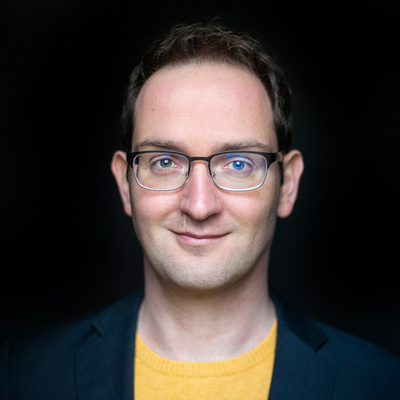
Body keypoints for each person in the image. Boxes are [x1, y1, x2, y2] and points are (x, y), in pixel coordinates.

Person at [1, 22, 400, 400]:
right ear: (125, 183)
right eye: (164, 162)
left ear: (288, 184)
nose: (199, 205)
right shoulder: (20, 377)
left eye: (238, 163)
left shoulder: (381, 384)